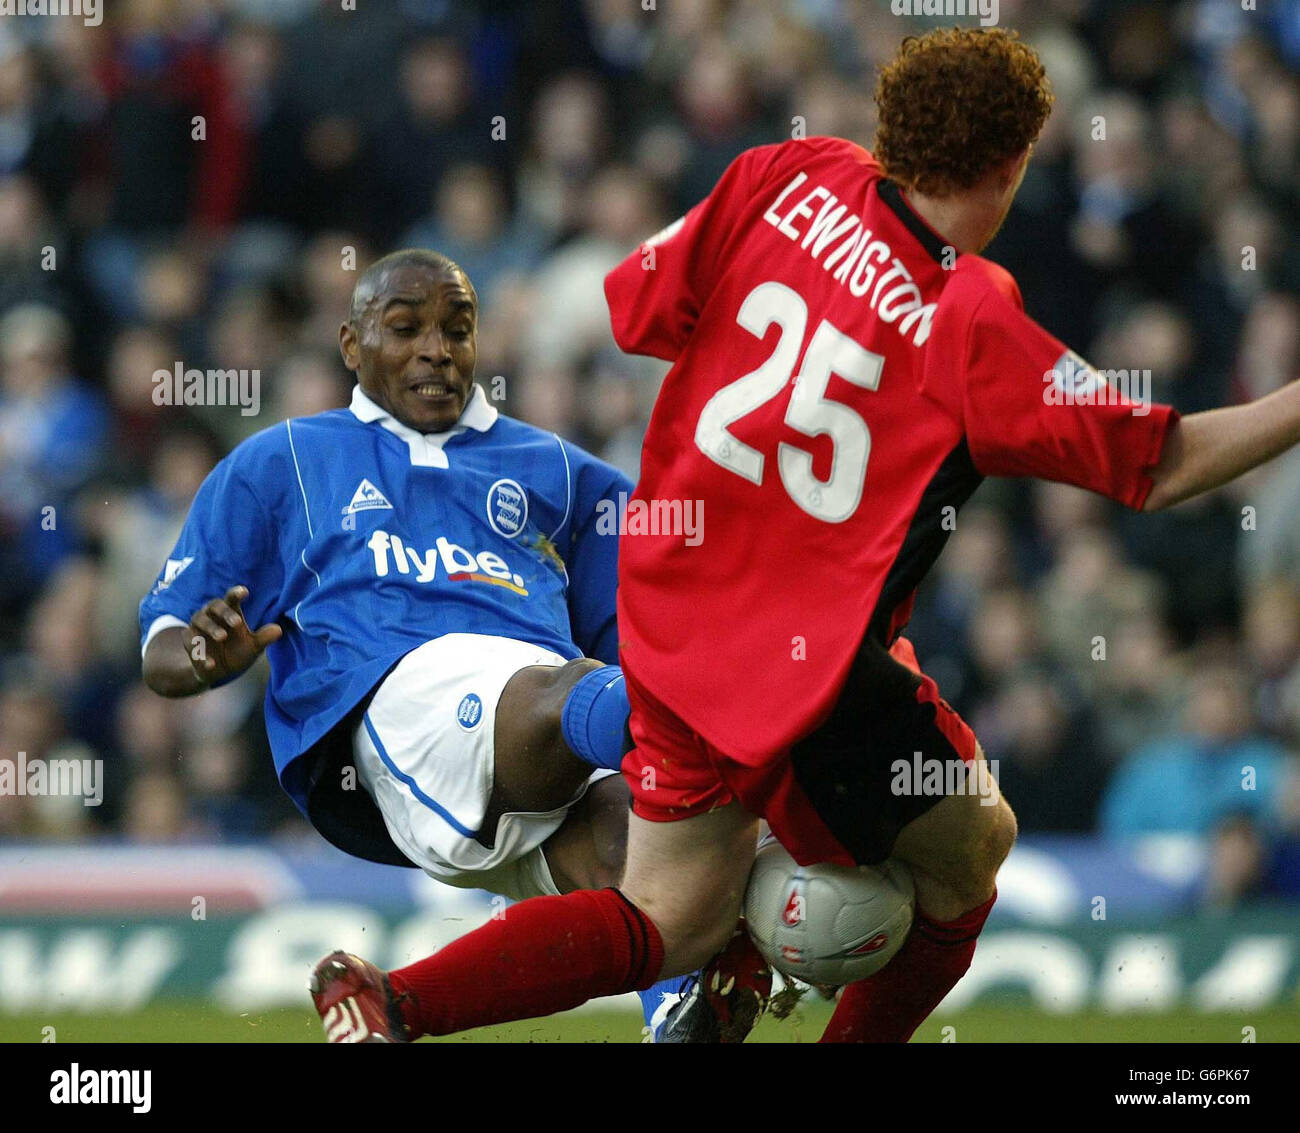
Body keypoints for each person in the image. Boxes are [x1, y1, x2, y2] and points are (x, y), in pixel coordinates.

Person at [315, 26, 1300, 1045]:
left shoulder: (786, 174)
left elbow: (631, 305)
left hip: (668, 616)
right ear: (1010, 166)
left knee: (668, 916)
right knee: (970, 856)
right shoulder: (970, 314)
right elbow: (1166, 460)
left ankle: (392, 1001)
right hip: (802, 678)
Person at [141, 249, 705, 1039]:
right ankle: (748, 747)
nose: (437, 348)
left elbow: (649, 615)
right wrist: (204, 656)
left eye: (458, 329)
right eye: (405, 328)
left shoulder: (560, 472)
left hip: (534, 747)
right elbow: (163, 639)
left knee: (636, 854)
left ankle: (402, 1004)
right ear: (351, 345)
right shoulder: (286, 461)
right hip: (392, 707)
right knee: (588, 698)